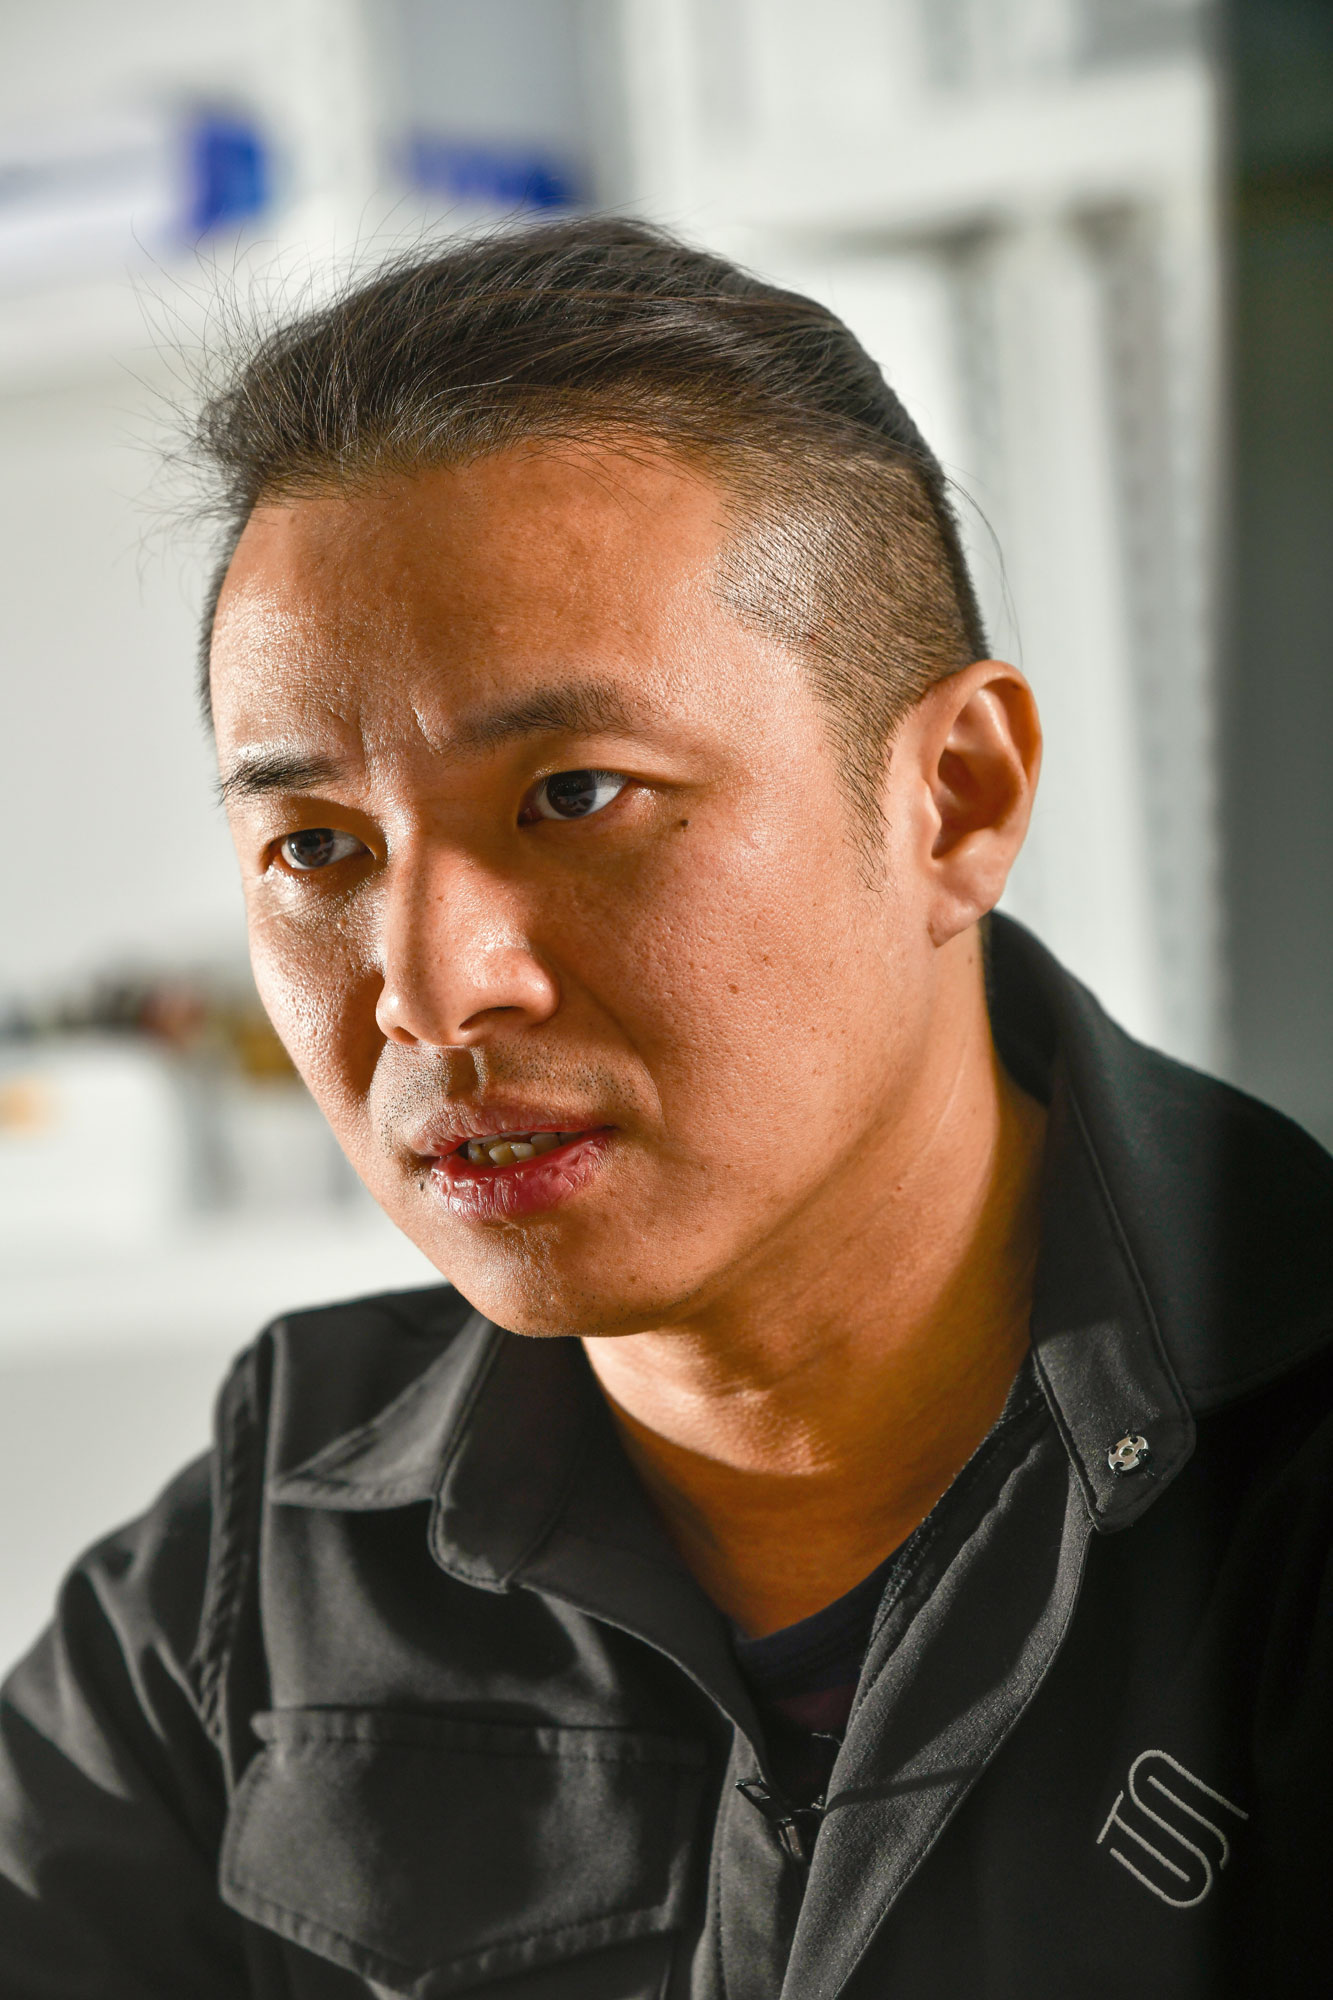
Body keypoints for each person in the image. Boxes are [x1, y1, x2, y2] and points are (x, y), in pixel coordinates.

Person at [2, 218, 1331, 2000]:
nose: (430, 989)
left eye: (574, 796)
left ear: (953, 799)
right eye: (315, 849)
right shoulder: (269, 1562)